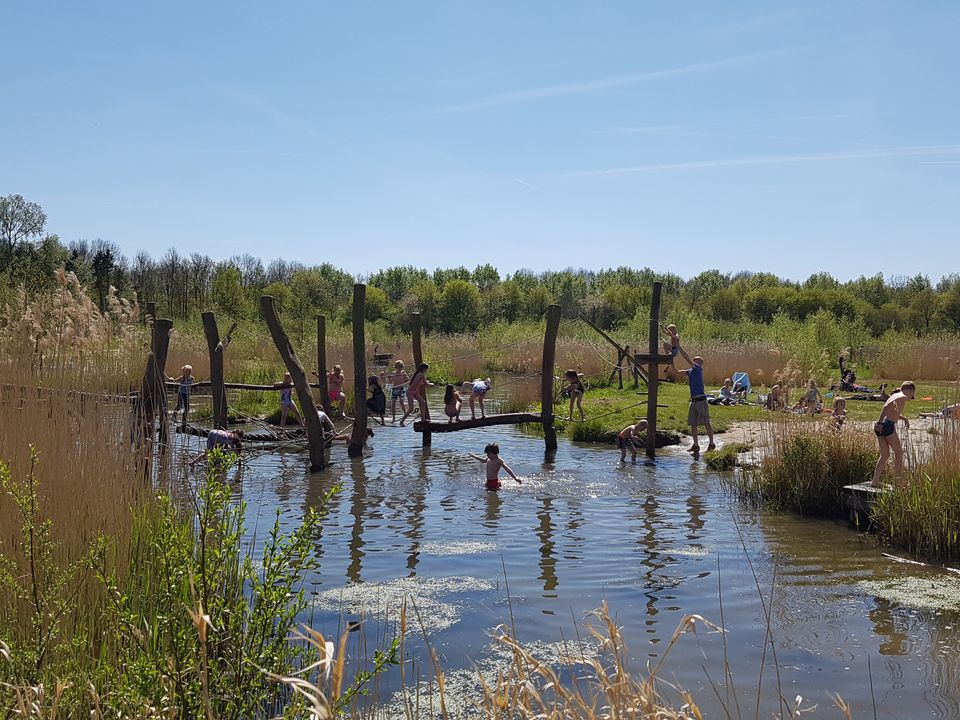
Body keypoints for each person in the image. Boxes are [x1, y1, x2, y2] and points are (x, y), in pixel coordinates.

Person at [869, 381, 916, 488]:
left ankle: (875, 481)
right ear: (911, 391)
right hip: (887, 425)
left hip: (880, 426)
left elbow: (892, 412)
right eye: (913, 394)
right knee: (899, 453)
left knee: (885, 455)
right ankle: (898, 482)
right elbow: (887, 407)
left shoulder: (895, 395)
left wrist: (904, 418)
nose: (912, 397)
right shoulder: (902, 396)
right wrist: (881, 422)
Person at [678, 346, 715, 453]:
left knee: (706, 422)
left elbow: (686, 357)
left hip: (701, 400)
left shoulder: (697, 368)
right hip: (693, 401)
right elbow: (677, 372)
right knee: (693, 423)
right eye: (694, 359)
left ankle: (712, 443)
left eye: (696, 360)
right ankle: (696, 445)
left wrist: (679, 346)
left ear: (699, 363)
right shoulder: (690, 371)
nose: (693, 360)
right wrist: (670, 361)